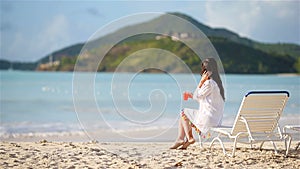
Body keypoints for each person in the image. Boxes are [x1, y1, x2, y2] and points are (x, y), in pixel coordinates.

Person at [170, 58, 225, 149]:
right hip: (217, 120)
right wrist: (191, 95)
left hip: (208, 120)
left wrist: (201, 82)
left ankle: (189, 137)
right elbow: (204, 99)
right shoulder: (218, 84)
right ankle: (181, 140)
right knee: (184, 116)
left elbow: (198, 96)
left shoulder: (209, 83)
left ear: (205, 71)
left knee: (183, 111)